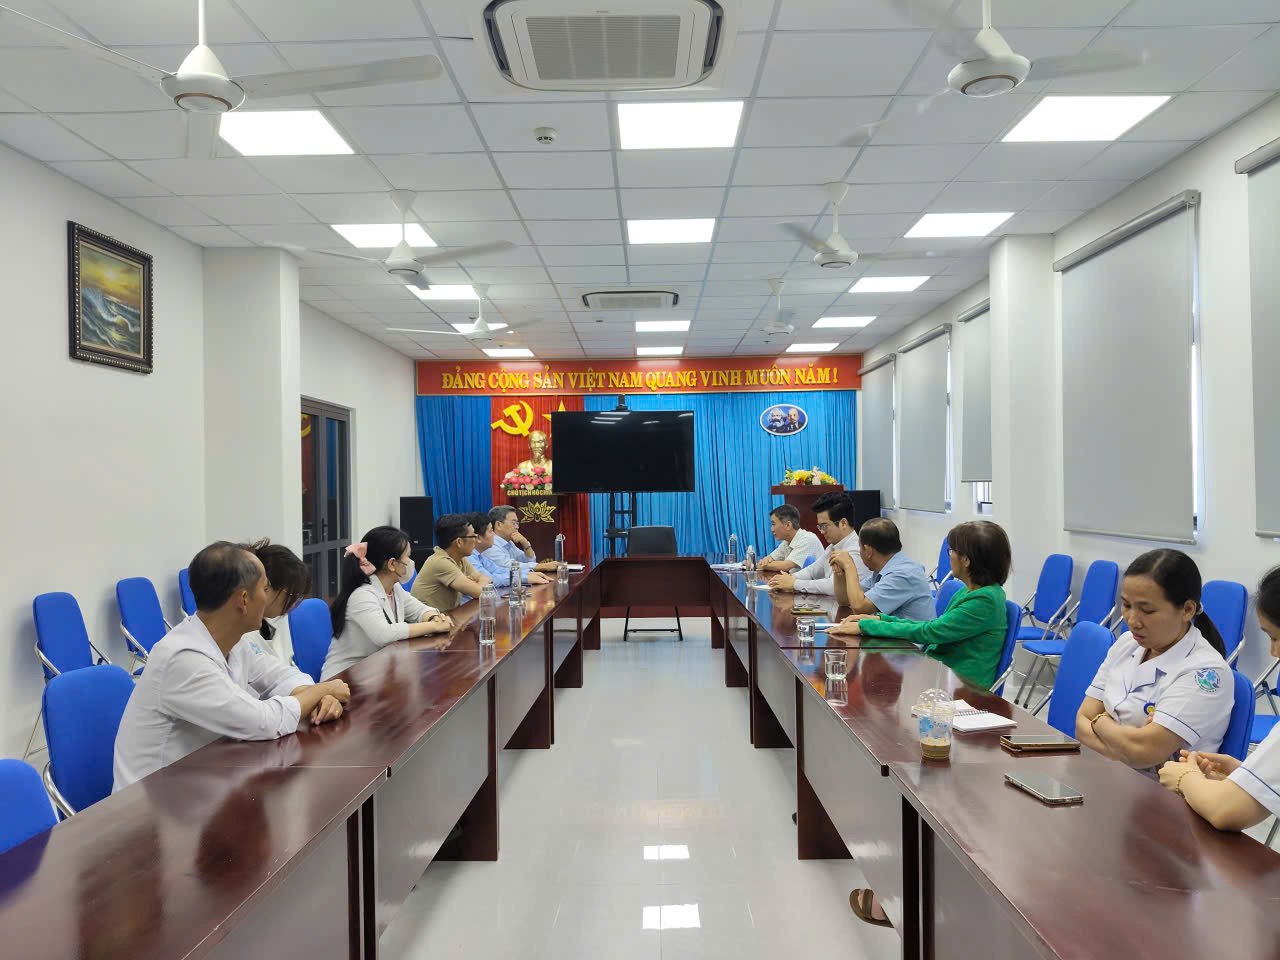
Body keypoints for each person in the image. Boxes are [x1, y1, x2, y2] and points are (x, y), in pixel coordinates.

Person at [838, 520, 1012, 929]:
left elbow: (931, 632)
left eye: (953, 550)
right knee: (883, 745)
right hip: (942, 691)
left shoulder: (985, 601)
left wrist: (870, 624)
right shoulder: (970, 593)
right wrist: (876, 624)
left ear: (967, 559)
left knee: (901, 771)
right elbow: (931, 637)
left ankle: (902, 894)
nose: (948, 556)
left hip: (963, 703)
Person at [113, 542, 351, 791]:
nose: (267, 598)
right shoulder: (183, 659)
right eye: (265, 588)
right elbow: (263, 722)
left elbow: (280, 675)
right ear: (243, 600)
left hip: (202, 783)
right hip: (152, 804)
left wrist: (318, 697)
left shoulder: (234, 642)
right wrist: (324, 690)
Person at [1076, 549, 1232, 778]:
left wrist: (1100, 721)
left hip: (1158, 792)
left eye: (1147, 610)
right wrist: (1125, 745)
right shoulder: (1126, 643)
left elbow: (1143, 752)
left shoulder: (1206, 672)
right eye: (1126, 605)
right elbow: (1081, 723)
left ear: (1187, 610)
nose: (1132, 620)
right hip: (1104, 774)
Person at [1159, 566, 1280, 830]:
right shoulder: (1126, 647)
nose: (1274, 652)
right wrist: (1248, 776)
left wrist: (1184, 777)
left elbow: (1225, 810)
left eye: (1276, 637)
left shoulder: (1207, 668)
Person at [321, 525, 452, 680]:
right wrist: (434, 626)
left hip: (376, 671)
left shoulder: (394, 589)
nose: (411, 562)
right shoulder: (362, 595)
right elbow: (384, 634)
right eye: (407, 557)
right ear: (392, 564)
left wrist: (434, 617)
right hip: (346, 677)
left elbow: (419, 610)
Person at [830, 517, 935, 621]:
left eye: (860, 548)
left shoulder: (902, 574)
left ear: (868, 551)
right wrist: (839, 571)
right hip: (895, 631)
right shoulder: (882, 570)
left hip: (909, 633)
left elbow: (859, 608)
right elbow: (844, 600)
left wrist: (849, 566)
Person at [769, 492, 868, 596]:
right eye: (820, 527)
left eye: (824, 526)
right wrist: (789, 578)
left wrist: (794, 583)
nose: (821, 531)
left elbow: (832, 587)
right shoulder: (832, 547)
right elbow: (812, 571)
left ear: (843, 523)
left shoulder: (856, 550)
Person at [244, 538, 310, 667]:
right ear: (265, 586)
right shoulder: (243, 635)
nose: (293, 604)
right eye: (292, 595)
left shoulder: (266, 630)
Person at [410, 514, 494, 613]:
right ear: (459, 542)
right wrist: (479, 583)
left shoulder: (460, 559)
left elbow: (484, 577)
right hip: (429, 619)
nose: (475, 540)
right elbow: (479, 592)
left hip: (447, 616)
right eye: (473, 536)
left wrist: (480, 582)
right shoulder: (441, 562)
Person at [467, 512, 552, 588]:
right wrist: (524, 577)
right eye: (491, 531)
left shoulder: (479, 555)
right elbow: (489, 579)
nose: (493, 535)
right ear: (478, 538)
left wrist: (527, 574)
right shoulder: (468, 557)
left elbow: (498, 570)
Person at [485, 505, 559, 577]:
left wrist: (525, 544)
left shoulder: (509, 543)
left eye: (517, 523)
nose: (517, 527)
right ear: (498, 525)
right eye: (513, 523)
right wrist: (544, 566)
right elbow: (509, 566)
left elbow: (529, 561)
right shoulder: (490, 544)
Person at [757, 504, 823, 573]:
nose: (772, 529)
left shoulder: (807, 539)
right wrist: (764, 562)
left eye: (773, 524)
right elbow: (770, 558)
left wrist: (761, 565)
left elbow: (785, 566)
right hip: (795, 578)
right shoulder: (786, 542)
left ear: (788, 525)